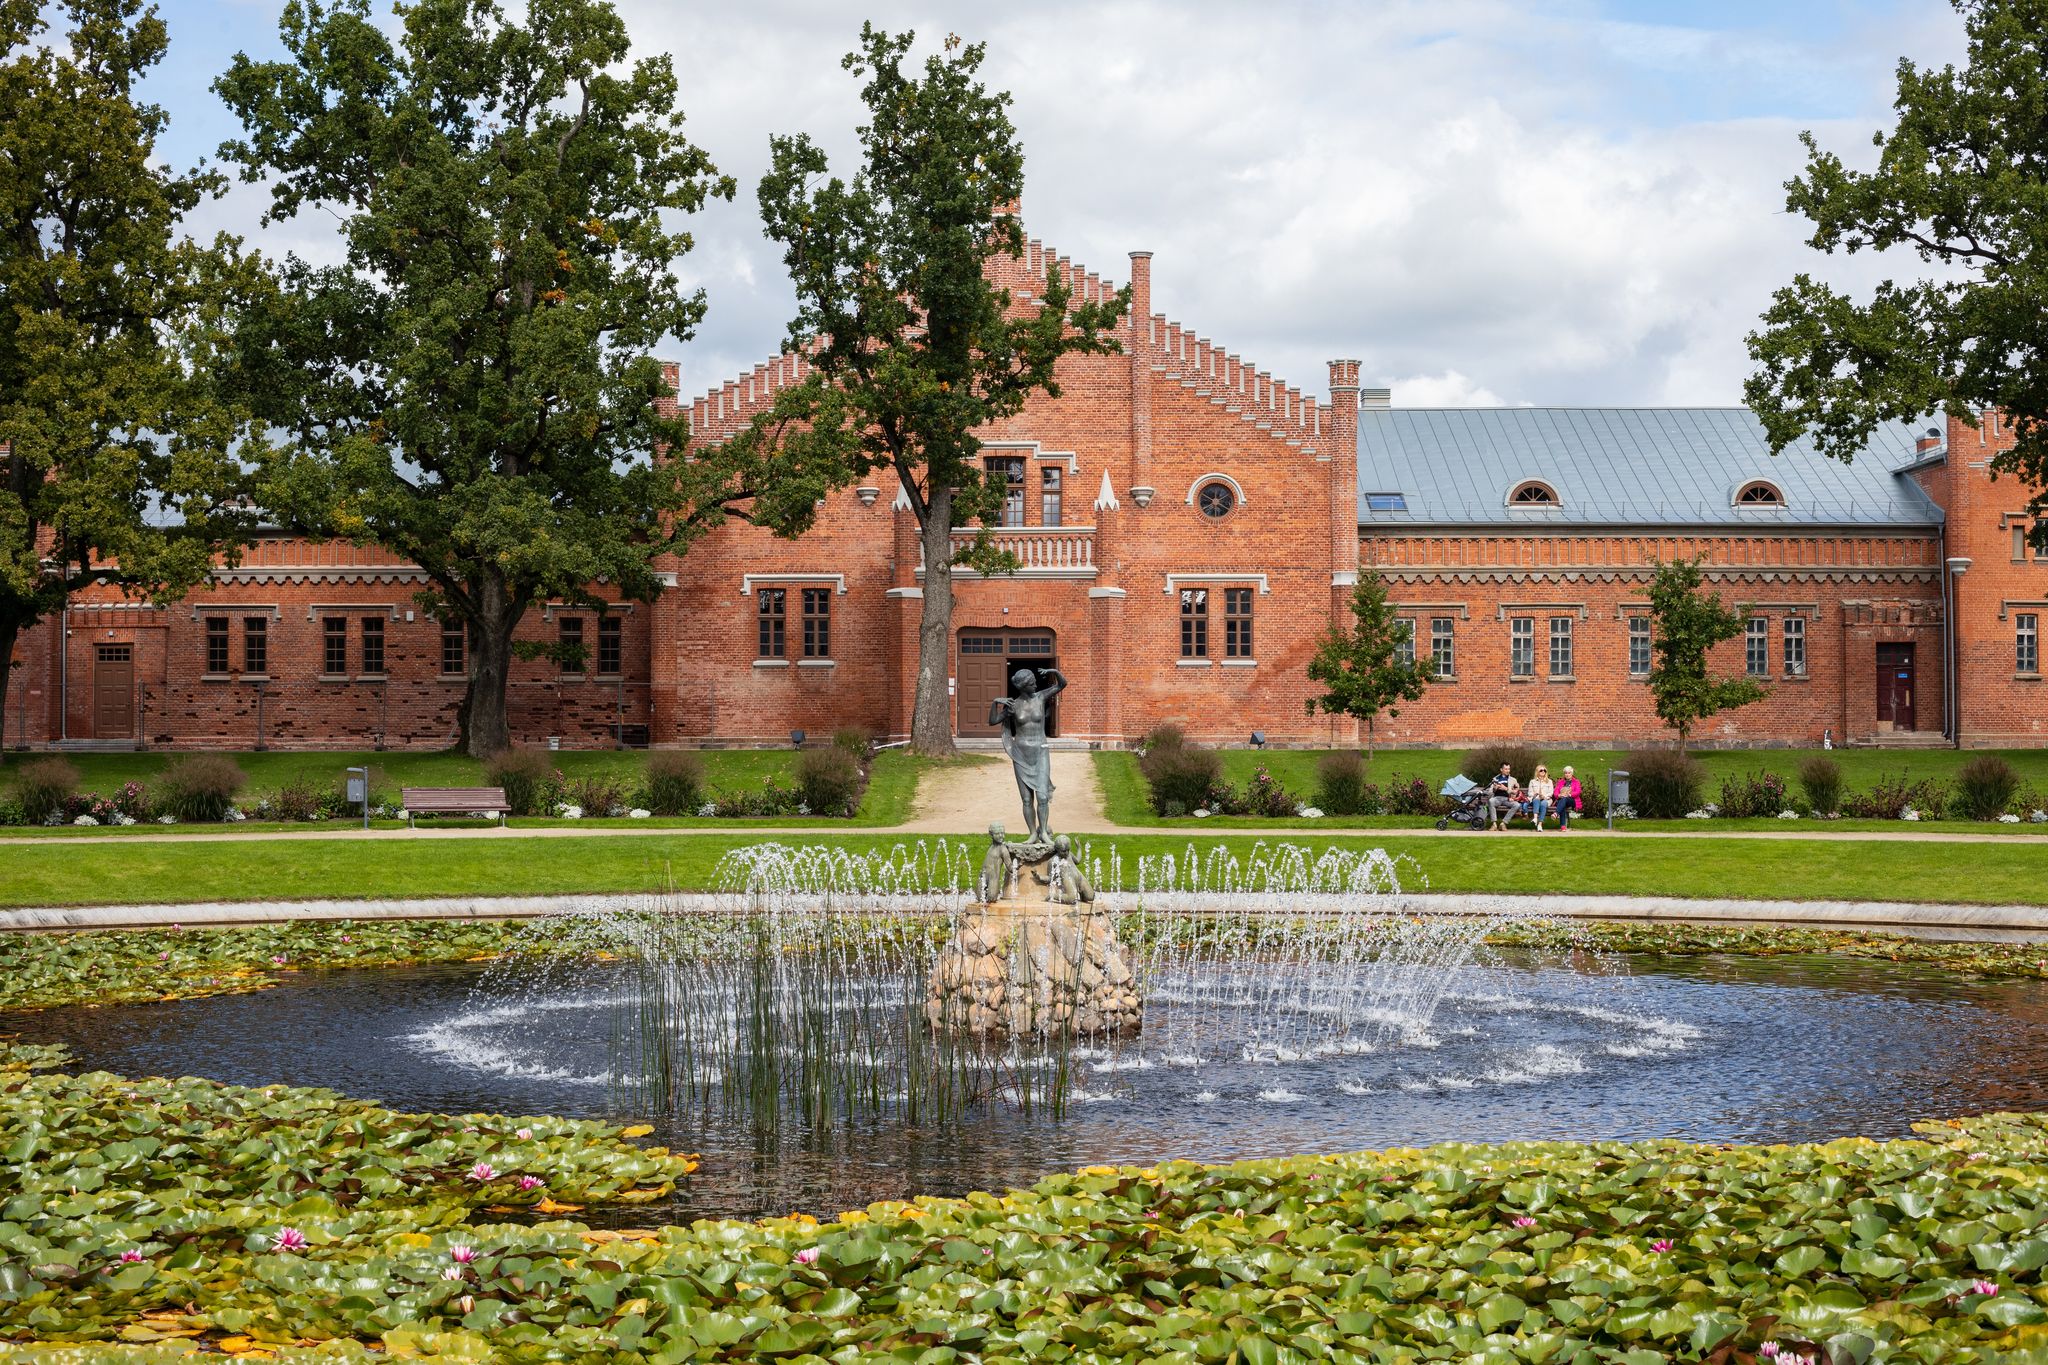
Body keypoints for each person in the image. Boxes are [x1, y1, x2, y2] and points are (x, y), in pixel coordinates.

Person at [990, 666, 1066, 844]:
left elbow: (1062, 685)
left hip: (1040, 751)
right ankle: (1032, 833)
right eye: (1031, 683)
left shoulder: (1040, 697)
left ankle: (1044, 833)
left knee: (1042, 796)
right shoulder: (1013, 705)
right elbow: (993, 721)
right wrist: (995, 703)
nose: (1035, 685)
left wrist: (1054, 672)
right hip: (1021, 754)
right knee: (1026, 798)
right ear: (1023, 687)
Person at [1486, 762, 1521, 831]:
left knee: (1517, 805)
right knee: (1491, 801)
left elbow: (1516, 792)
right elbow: (1489, 793)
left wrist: (1506, 789)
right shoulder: (1495, 779)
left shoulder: (1513, 780)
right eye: (1506, 769)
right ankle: (1494, 824)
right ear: (1501, 769)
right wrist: (1494, 789)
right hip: (1497, 798)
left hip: (1507, 799)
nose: (1508, 771)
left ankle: (1503, 823)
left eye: (1509, 769)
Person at [1526, 764, 1555, 831]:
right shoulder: (1532, 781)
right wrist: (1536, 795)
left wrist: (1544, 796)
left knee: (1544, 803)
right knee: (1536, 800)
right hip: (1535, 799)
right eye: (1541, 770)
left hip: (1546, 799)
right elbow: (1530, 793)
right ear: (1537, 772)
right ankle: (1535, 818)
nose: (1543, 772)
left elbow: (1551, 792)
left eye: (1544, 770)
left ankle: (1540, 824)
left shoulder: (1549, 781)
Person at [1554, 765, 1582, 831]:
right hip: (1562, 800)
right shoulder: (1560, 782)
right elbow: (1555, 791)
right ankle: (1563, 826)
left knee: (1565, 799)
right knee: (1563, 802)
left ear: (1572, 774)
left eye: (1569, 773)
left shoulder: (1576, 782)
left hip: (1572, 800)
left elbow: (1578, 791)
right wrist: (1558, 795)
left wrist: (1569, 794)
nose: (1567, 774)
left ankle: (1556, 813)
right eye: (1566, 773)